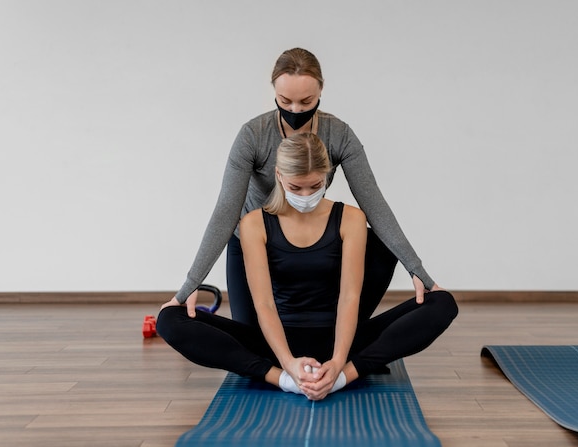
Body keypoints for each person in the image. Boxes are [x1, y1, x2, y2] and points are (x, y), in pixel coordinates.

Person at [157, 133, 457, 401]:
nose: (305, 196)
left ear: (326, 176)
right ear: (278, 176)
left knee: (442, 303)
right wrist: (288, 368)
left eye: (315, 186)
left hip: (342, 339)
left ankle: (346, 377)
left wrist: (339, 365)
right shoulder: (254, 224)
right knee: (169, 319)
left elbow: (350, 297)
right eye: (296, 187)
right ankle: (281, 381)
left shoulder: (350, 218)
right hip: (274, 345)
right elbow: (263, 304)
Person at [161, 47, 446, 325]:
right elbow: (225, 211)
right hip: (254, 242)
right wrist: (189, 286)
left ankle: (345, 336)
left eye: (306, 102)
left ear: (321, 91)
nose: (295, 110)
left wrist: (417, 270)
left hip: (311, 240)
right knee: (253, 346)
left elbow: (375, 206)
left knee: (382, 248)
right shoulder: (252, 136)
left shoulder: (339, 135)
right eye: (285, 101)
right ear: (273, 90)